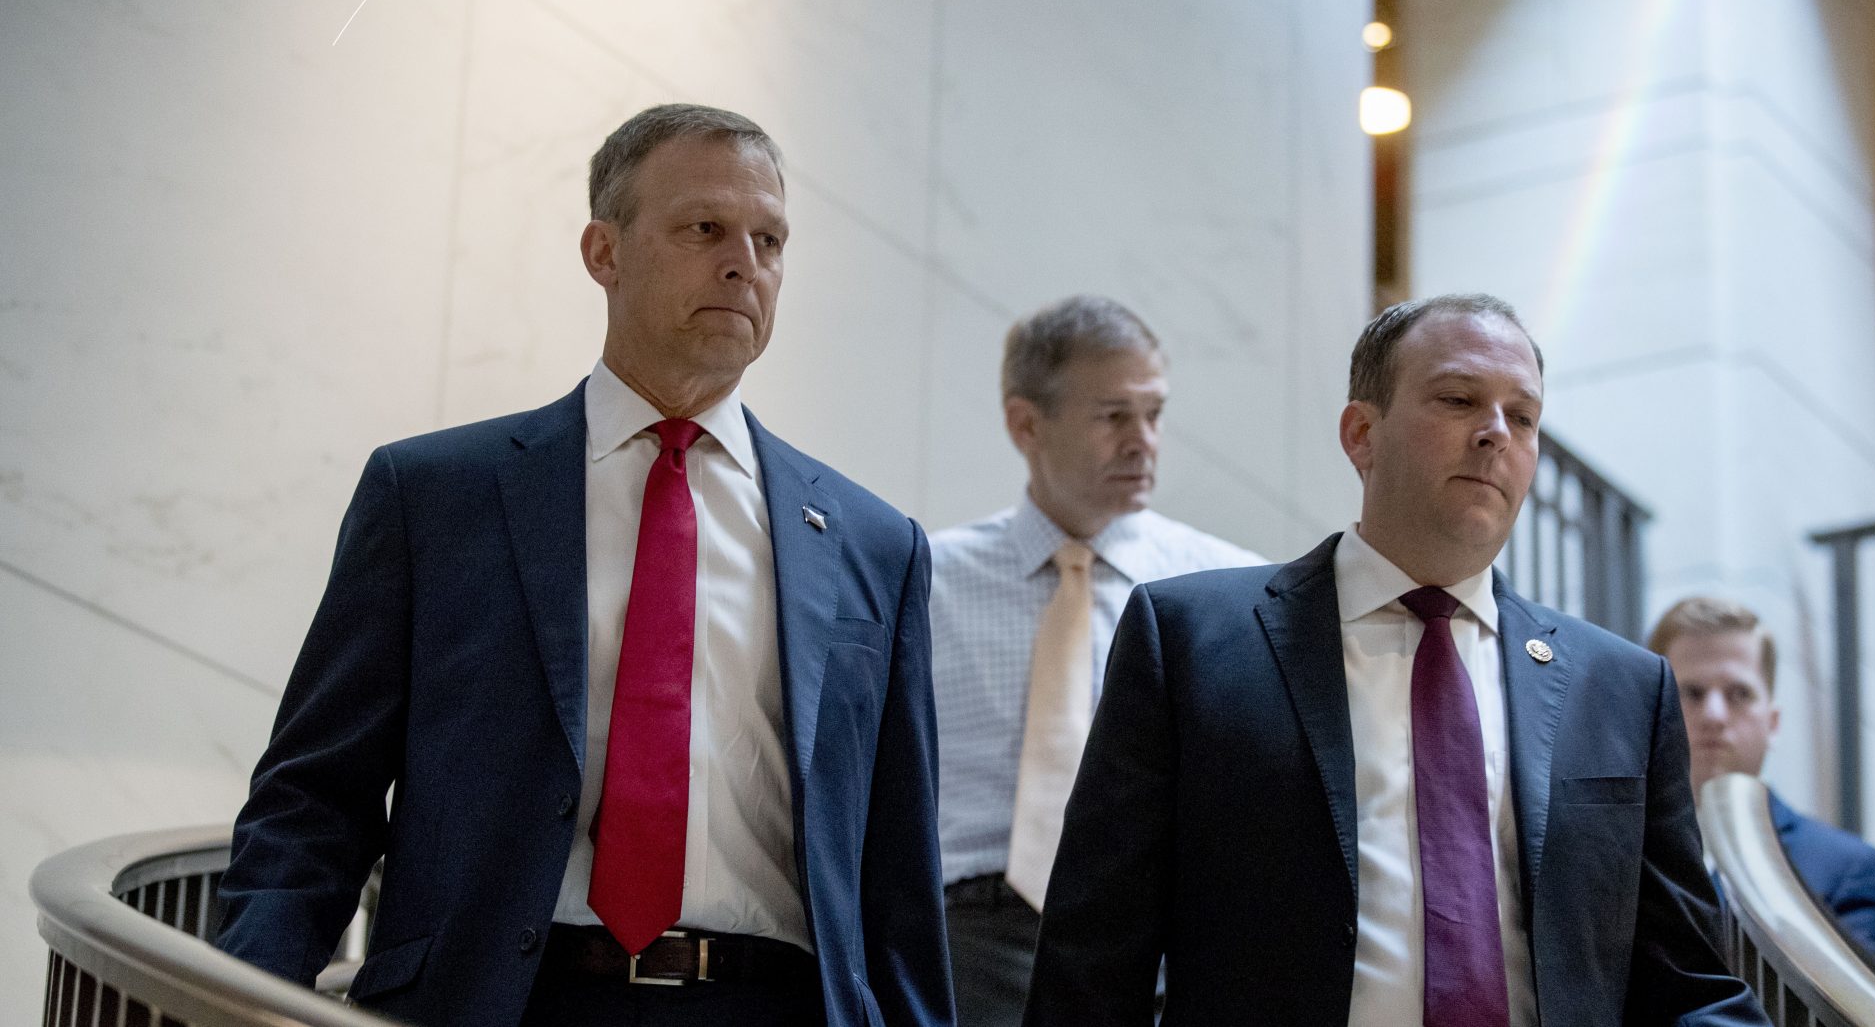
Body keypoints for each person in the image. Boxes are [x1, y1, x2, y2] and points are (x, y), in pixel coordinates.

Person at [216, 104, 953, 1027]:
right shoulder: (434, 496)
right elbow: (315, 799)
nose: (744, 263)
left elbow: (900, 882)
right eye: (704, 228)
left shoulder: (876, 545)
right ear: (603, 252)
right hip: (504, 999)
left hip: (772, 1003)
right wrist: (233, 999)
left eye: (770, 239)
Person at [1023, 293, 1766, 1026]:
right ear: (1360, 434)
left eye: (1524, 415)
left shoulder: (1624, 690)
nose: (1496, 433)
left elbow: (1688, 986)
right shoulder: (1189, 640)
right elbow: (1092, 966)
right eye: (1458, 398)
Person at [929, 295, 1263, 1024]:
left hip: (1161, 945)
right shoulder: (925, 582)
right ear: (1027, 424)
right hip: (972, 939)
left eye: (1156, 413)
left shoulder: (1226, 592)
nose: (1144, 441)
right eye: (1114, 416)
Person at [1649, 595, 1875, 963]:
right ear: (1653, 712)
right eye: (1692, 693)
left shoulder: (1850, 869)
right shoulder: (1614, 856)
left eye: (1739, 693)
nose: (1715, 715)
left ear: (1773, 722)